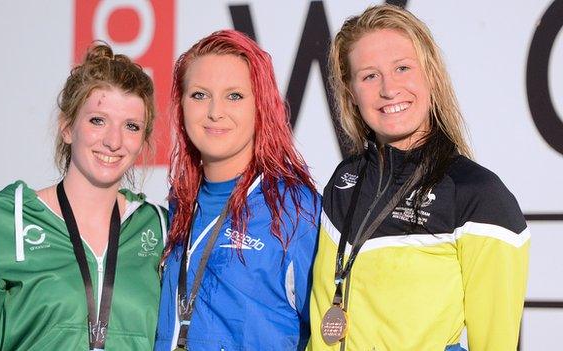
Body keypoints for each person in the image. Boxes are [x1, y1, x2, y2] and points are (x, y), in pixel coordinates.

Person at [307, 5, 530, 351]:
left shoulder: (479, 196)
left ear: (431, 76)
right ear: (351, 92)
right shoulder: (343, 180)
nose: (388, 89)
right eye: (369, 76)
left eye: (402, 68)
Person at [0, 43, 167, 350]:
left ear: (143, 140)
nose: (114, 141)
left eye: (131, 126)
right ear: (67, 128)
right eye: (98, 120)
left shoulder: (160, 229)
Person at [154, 30, 321, 351]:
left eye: (234, 96)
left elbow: (330, 332)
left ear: (261, 106)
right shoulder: (178, 204)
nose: (215, 111)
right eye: (200, 95)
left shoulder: (295, 210)